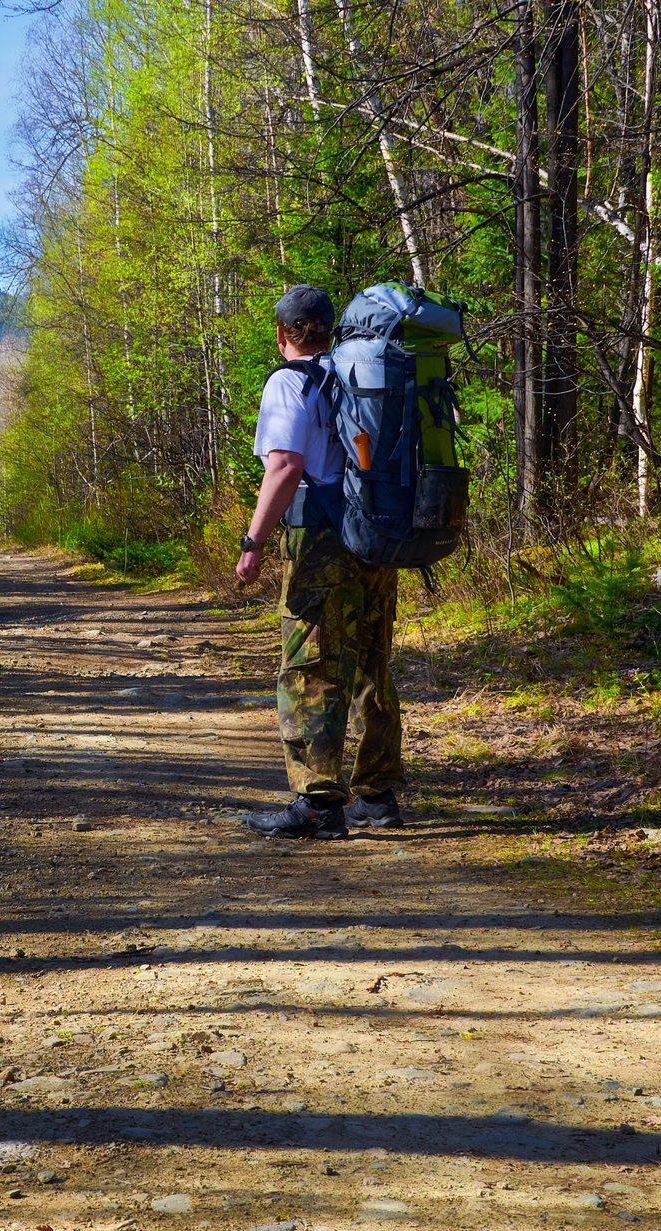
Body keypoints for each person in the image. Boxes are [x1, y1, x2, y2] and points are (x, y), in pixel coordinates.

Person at [234, 284, 405, 839]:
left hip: (323, 544)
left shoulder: (290, 382)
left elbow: (284, 468)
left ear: (283, 332)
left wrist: (253, 543)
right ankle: (378, 796)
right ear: (329, 329)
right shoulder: (363, 374)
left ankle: (318, 804)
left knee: (311, 669)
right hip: (376, 535)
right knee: (371, 663)